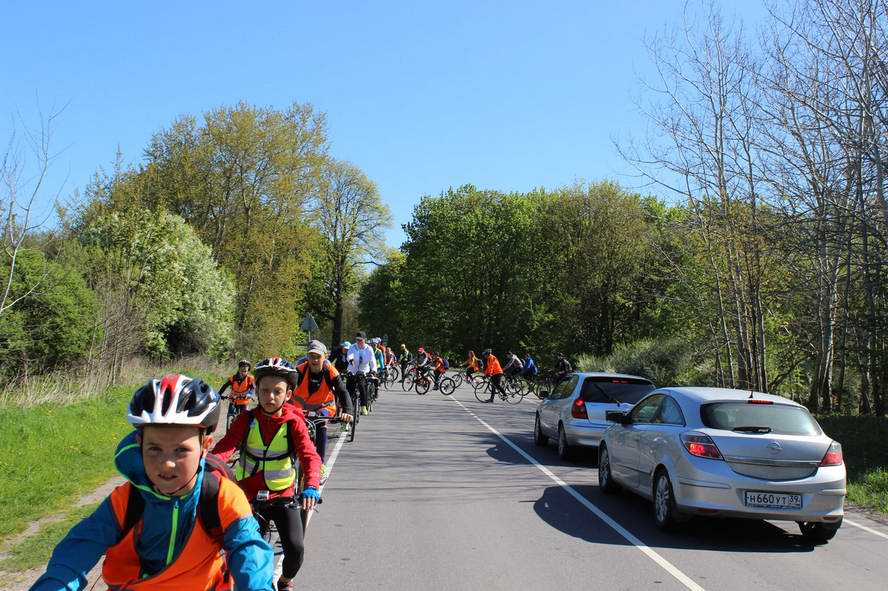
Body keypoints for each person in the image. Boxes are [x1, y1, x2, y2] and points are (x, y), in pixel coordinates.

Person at [32, 374, 274, 591]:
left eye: (181, 450)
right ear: (139, 444)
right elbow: (78, 550)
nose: (166, 463)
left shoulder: (222, 496)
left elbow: (248, 550)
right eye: (154, 449)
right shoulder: (127, 499)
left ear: (205, 446)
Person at [212, 358, 322, 591]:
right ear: (256, 391)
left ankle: (284, 581)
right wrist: (209, 471)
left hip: (282, 495)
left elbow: (310, 456)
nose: (270, 397)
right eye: (265, 391)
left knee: (295, 548)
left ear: (288, 394)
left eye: (277, 391)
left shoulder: (294, 423)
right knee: (249, 553)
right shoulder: (246, 419)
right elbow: (225, 447)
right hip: (247, 496)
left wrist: (311, 485)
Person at [290, 340, 354, 483]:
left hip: (323, 407)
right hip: (301, 407)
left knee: (321, 424)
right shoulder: (299, 370)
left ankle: (320, 464)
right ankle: (287, 460)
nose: (314, 360)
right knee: (291, 427)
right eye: (311, 356)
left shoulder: (330, 371)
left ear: (325, 357)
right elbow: (286, 389)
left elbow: (342, 391)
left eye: (318, 356)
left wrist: (348, 411)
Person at [347, 331, 377, 416]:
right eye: (357, 340)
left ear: (365, 340)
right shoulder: (352, 347)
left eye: (361, 340)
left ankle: (364, 406)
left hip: (363, 370)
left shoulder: (369, 349)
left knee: (362, 385)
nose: (359, 342)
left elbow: (372, 360)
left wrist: (374, 370)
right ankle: (348, 406)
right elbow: (349, 355)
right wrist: (351, 360)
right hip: (352, 369)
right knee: (349, 388)